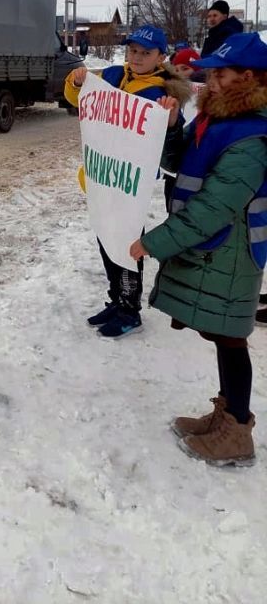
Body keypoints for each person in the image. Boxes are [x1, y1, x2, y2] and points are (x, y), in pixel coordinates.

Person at [130, 32, 267, 466]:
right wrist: (170, 127)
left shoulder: (252, 137)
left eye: (220, 74)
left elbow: (213, 209)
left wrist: (153, 243)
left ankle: (237, 435)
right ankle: (226, 416)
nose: (210, 81)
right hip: (214, 250)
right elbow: (177, 163)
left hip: (231, 252)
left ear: (247, 78)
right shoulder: (217, 118)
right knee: (222, 336)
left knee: (231, 338)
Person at [64, 25, 192, 338]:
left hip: (130, 184)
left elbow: (171, 141)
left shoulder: (163, 91)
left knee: (127, 243)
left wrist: (171, 119)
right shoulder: (111, 75)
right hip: (102, 177)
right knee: (106, 236)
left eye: (145, 53)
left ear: (161, 57)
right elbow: (78, 99)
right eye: (132, 50)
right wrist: (75, 81)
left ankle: (129, 308)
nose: (136, 57)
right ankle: (116, 298)